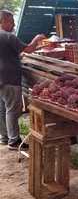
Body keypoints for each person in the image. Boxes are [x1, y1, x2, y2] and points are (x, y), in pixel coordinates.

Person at [0, 9, 45, 150]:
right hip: (9, 78)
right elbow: (29, 49)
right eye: (11, 21)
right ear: (4, 21)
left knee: (2, 109)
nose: (13, 24)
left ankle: (5, 136)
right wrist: (37, 39)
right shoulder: (8, 36)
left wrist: (15, 58)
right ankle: (14, 141)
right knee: (13, 110)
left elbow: (5, 54)